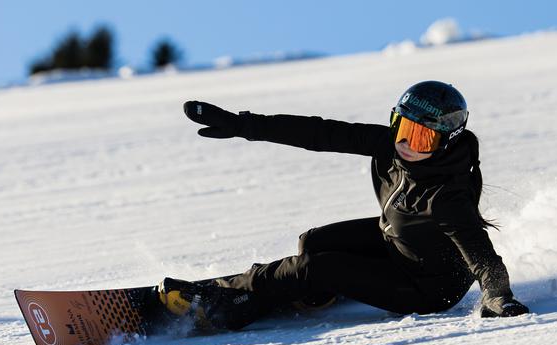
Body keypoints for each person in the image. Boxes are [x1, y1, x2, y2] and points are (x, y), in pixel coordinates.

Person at [157, 81, 529, 332]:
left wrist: (499, 296)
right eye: (402, 128)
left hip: (426, 287)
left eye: (422, 137)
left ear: (446, 140)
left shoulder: (447, 196)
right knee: (314, 241)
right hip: (398, 245)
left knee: (317, 266)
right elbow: (320, 133)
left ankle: (229, 302)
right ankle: (308, 292)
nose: (407, 144)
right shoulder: (389, 144)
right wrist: (243, 125)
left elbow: (481, 255)